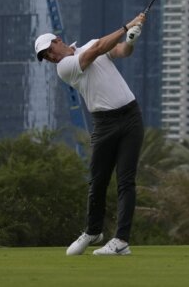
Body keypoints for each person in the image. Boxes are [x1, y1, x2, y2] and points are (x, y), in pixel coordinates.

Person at [35, 14, 147, 257]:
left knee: (126, 180)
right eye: (46, 57)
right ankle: (93, 231)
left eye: (49, 51)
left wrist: (131, 40)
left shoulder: (92, 45)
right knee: (97, 182)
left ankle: (121, 241)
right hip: (104, 124)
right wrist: (127, 25)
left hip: (130, 117)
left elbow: (120, 52)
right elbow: (96, 50)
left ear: (58, 41)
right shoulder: (65, 68)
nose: (50, 57)